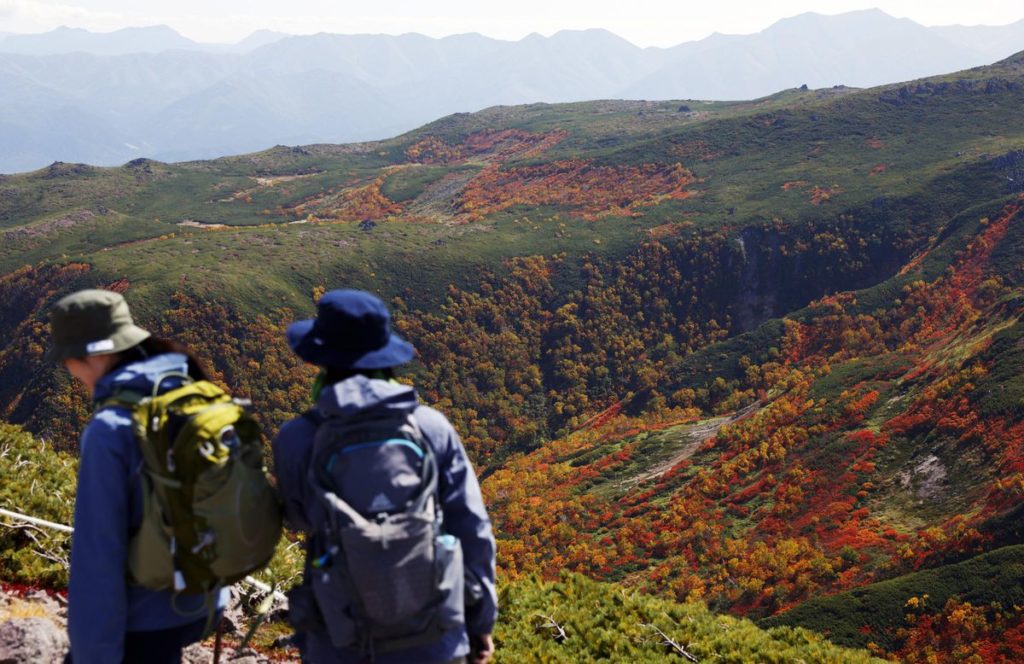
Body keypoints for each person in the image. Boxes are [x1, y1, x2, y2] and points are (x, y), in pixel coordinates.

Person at [273, 289, 498, 664]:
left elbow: (297, 517)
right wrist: (480, 622)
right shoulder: (430, 428)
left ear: (321, 359)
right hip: (436, 640)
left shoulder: (297, 438)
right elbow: (472, 527)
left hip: (339, 641)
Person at [49, 289, 226, 664]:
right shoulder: (193, 392)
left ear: (88, 357)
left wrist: (93, 655)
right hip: (200, 602)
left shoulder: (111, 429)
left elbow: (98, 556)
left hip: (143, 620)